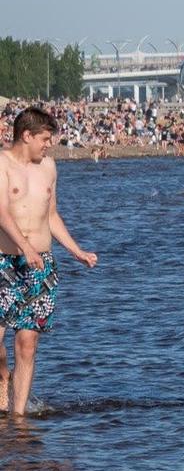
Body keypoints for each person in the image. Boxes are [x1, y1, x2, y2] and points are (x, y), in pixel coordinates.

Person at [0, 106, 98, 415]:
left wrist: (75, 250)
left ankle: (18, 417)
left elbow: (51, 214)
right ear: (26, 135)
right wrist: (25, 248)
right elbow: (1, 212)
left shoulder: (49, 167)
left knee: (27, 343)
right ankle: (3, 377)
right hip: (6, 262)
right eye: (44, 138)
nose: (49, 144)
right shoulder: (2, 164)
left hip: (41, 265)